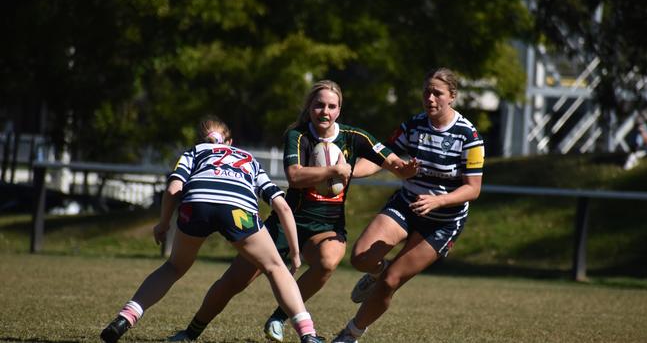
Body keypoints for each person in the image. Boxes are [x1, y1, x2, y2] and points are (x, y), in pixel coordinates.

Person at [167, 80, 417, 342]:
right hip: (287, 222)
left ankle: (279, 317)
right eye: (319, 105)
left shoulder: (355, 137)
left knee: (327, 262)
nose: (325, 111)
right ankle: (190, 332)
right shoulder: (297, 135)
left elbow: (389, 160)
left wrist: (404, 168)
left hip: (328, 225)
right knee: (234, 282)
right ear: (309, 107)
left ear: (339, 110)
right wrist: (334, 170)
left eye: (332, 106)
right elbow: (295, 176)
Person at [100, 115, 324, 343]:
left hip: (196, 205)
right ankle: (307, 334)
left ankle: (124, 318)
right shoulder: (248, 158)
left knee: (174, 267)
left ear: (201, 140)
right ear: (230, 142)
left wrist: (163, 224)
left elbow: (172, 190)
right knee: (275, 268)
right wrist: (295, 253)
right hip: (238, 211)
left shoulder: (195, 152)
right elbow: (283, 207)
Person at [332, 67, 485, 342]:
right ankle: (376, 273)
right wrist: (348, 171)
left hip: (443, 221)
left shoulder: (469, 137)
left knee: (391, 281)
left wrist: (439, 200)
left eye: (437, 93)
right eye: (427, 91)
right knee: (360, 258)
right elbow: (383, 158)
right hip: (407, 204)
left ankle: (350, 334)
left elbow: (473, 189)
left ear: (452, 96)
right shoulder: (413, 126)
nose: (430, 98)